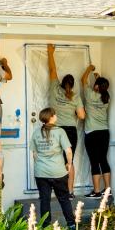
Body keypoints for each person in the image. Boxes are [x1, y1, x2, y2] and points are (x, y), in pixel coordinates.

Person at [47, 44, 86, 199]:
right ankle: (69, 193)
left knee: (56, 160)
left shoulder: (55, 89)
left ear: (61, 83)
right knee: (69, 160)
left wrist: (50, 52)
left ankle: (57, 192)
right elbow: (82, 116)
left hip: (56, 130)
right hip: (70, 130)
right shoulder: (75, 96)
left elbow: (52, 70)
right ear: (73, 85)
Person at [31, 107, 76, 230]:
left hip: (41, 173)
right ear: (50, 117)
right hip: (58, 172)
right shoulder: (60, 131)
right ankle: (71, 224)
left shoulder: (36, 132)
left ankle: (45, 226)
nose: (56, 116)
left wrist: (41, 164)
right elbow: (68, 150)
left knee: (44, 199)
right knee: (63, 198)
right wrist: (69, 164)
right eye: (55, 114)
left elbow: (34, 154)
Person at [81, 65, 111, 199]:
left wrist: (89, 69)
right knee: (103, 160)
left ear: (97, 87)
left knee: (94, 161)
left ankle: (97, 191)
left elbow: (83, 80)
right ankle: (108, 190)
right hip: (104, 132)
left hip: (92, 133)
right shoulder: (106, 97)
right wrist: (98, 78)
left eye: (96, 85)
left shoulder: (90, 95)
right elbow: (101, 88)